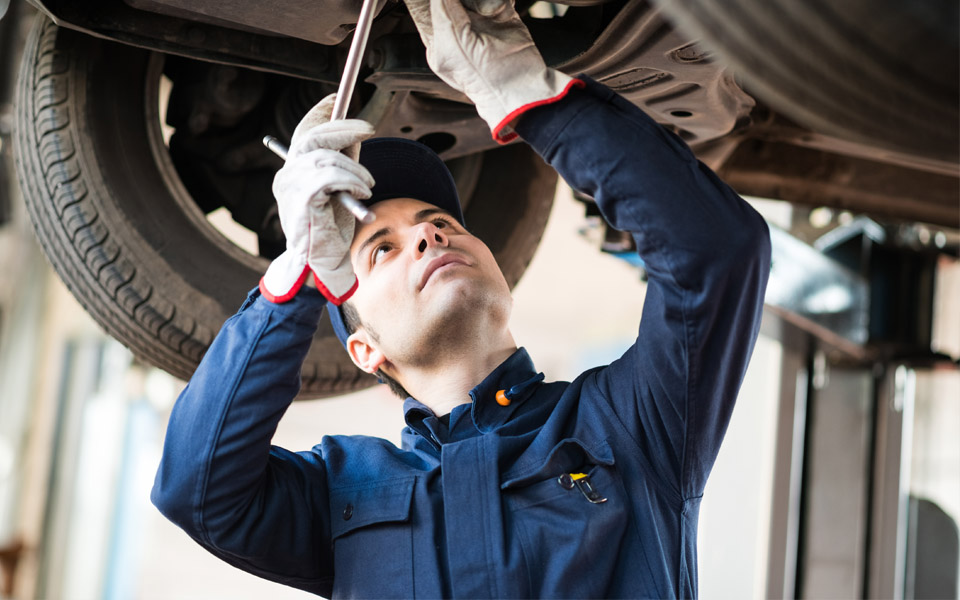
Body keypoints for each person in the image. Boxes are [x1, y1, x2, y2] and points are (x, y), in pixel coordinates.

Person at [150, 0, 772, 595]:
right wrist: (296, 275)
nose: (428, 231)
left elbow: (717, 249)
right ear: (366, 349)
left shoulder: (629, 424)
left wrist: (529, 94)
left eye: (440, 221)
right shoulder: (340, 495)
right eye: (382, 250)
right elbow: (195, 490)